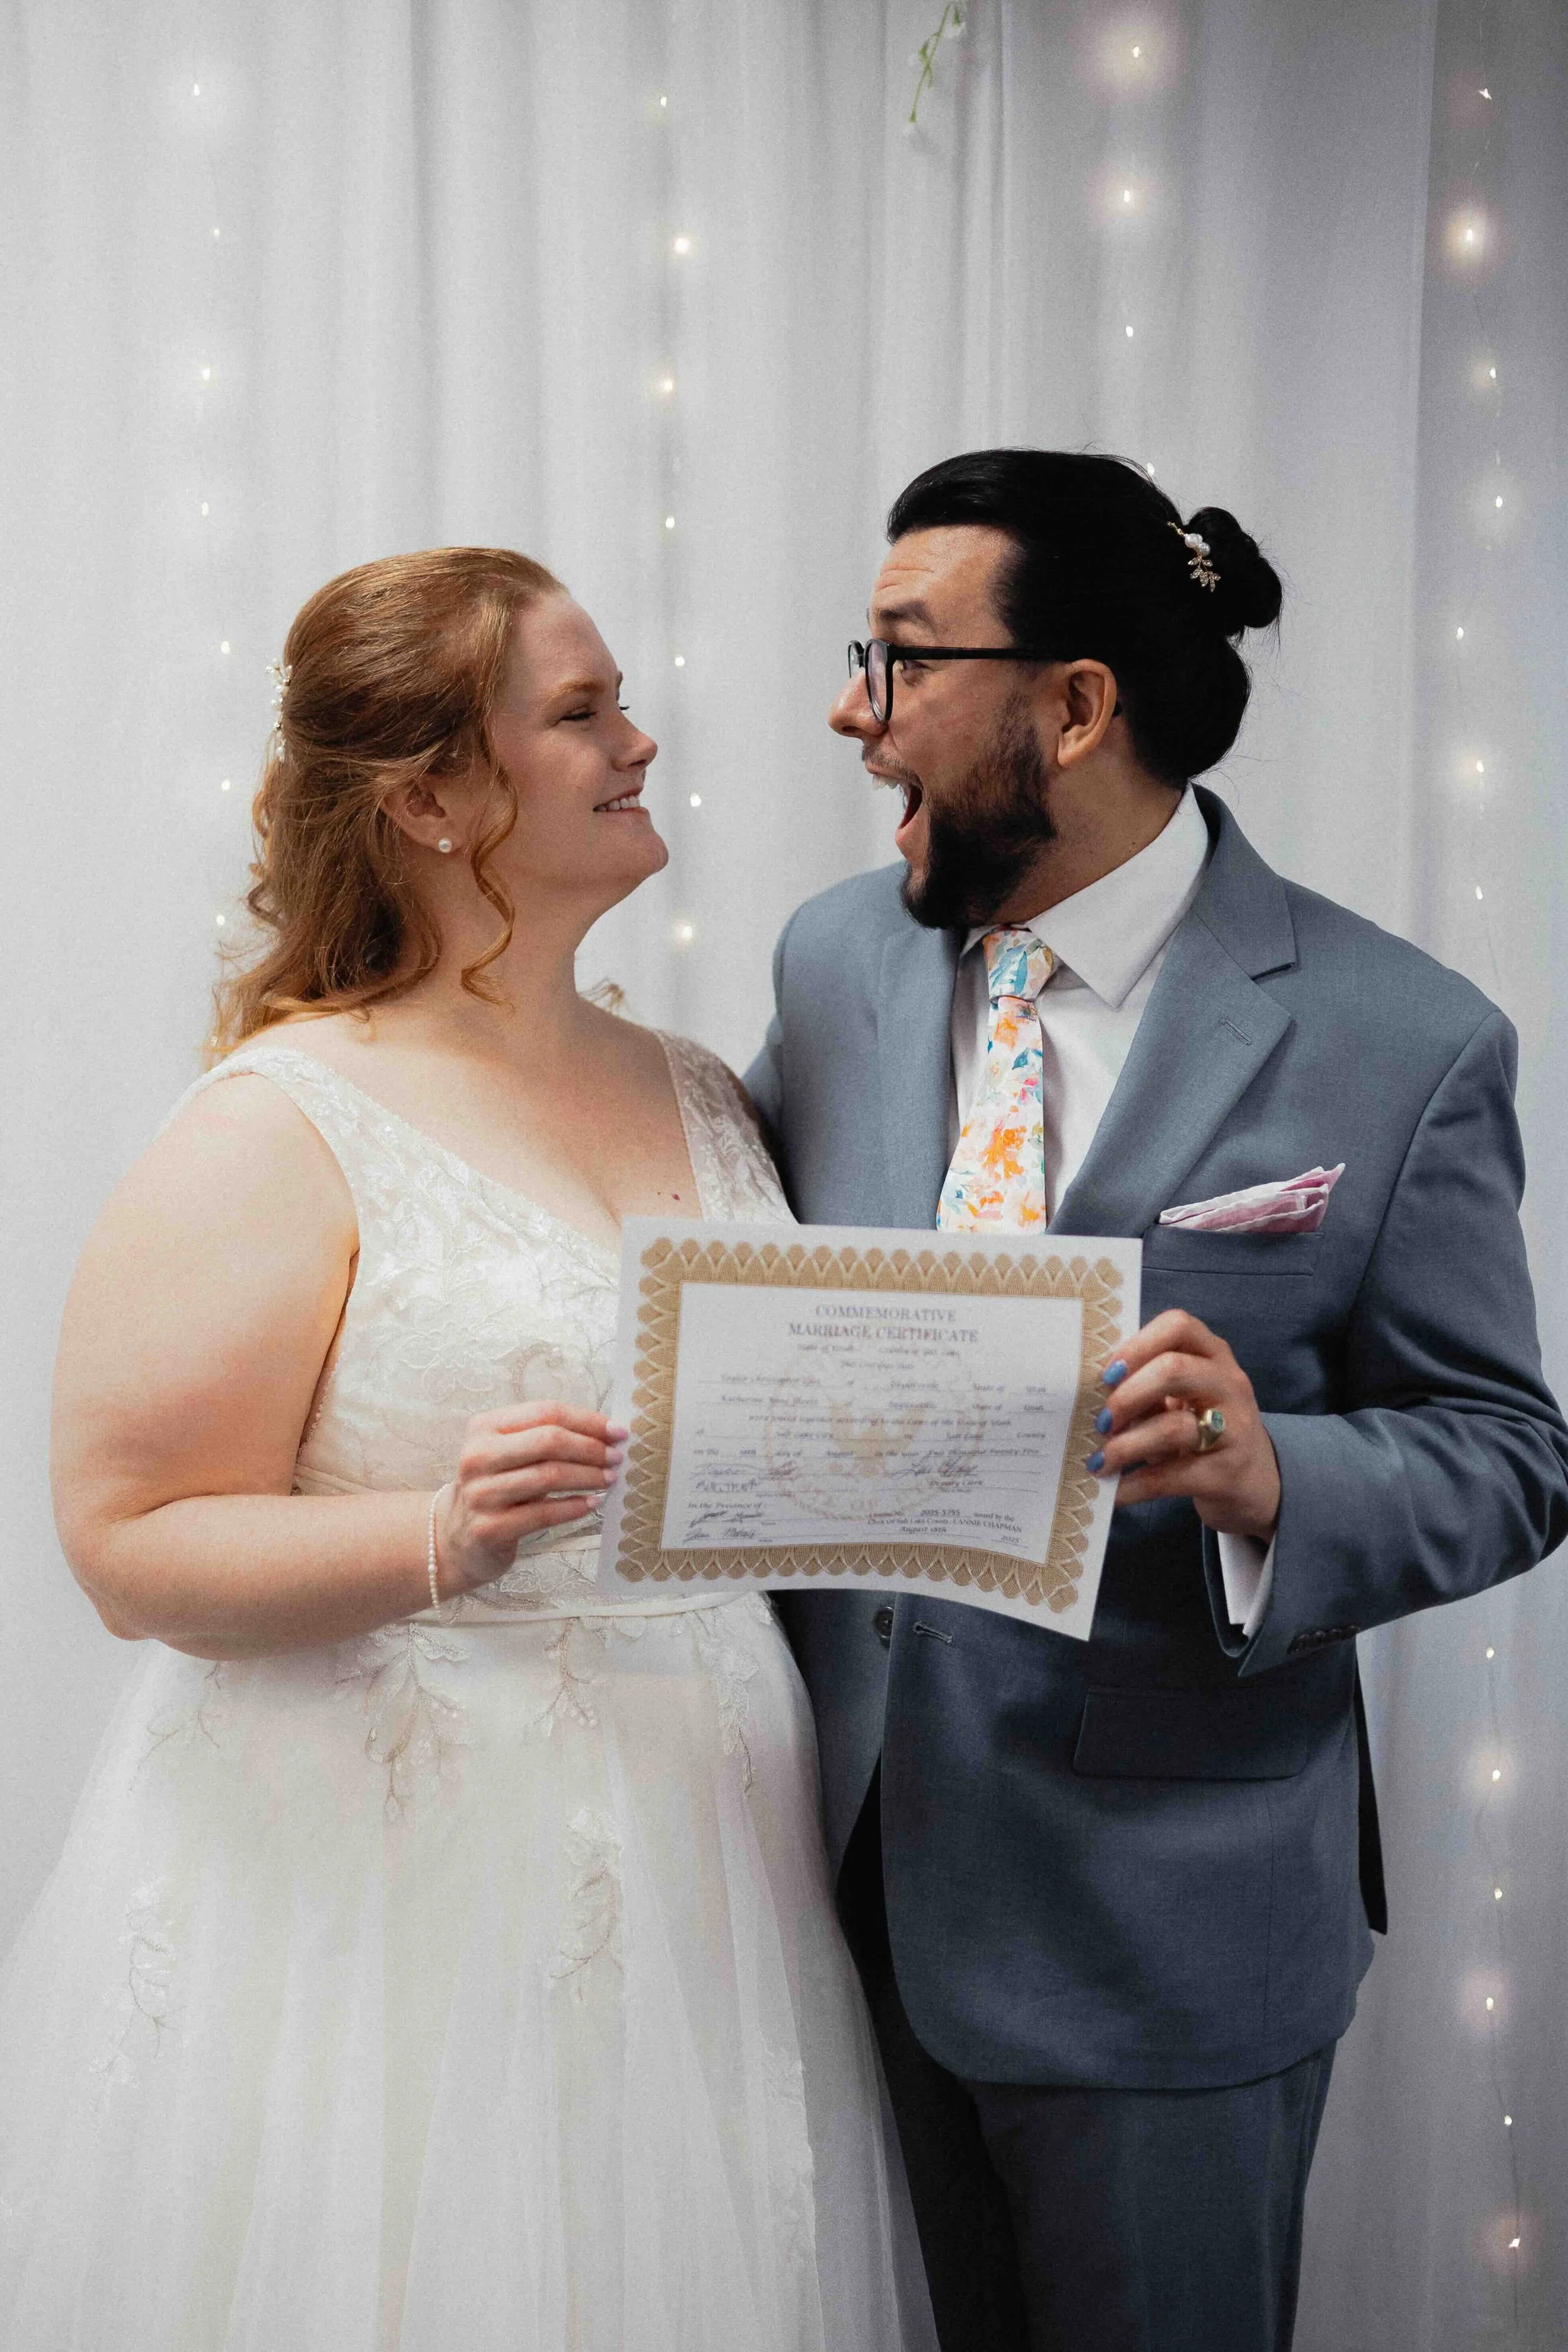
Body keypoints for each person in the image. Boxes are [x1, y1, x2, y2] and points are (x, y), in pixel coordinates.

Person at [0, 548, 928, 2351]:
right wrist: (434, 1529)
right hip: (387, 1905)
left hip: (704, 1884)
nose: (639, 740)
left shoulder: (704, 1091)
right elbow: (124, 1540)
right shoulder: (282, 1116)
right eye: (580, 713)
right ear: (431, 796)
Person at [746, 449, 1568, 2352]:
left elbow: (1509, 1453)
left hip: (1170, 1937)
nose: (848, 715)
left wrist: (1278, 1472)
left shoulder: (1404, 1037)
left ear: (1075, 702)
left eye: (895, 662)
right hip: (833, 1889)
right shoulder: (834, 963)